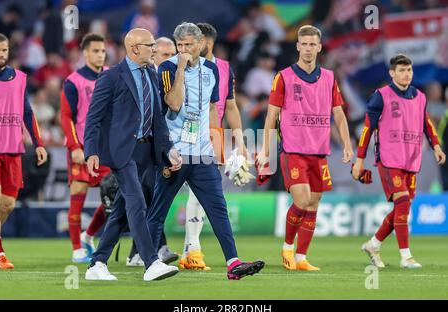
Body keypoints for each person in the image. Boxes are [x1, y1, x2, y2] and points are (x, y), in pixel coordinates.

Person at [151, 22, 264, 280]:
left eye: (189, 45)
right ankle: (149, 261)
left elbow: (214, 109)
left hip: (202, 153)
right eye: (180, 46)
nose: (184, 50)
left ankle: (233, 263)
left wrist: (218, 148)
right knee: (158, 210)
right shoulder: (167, 68)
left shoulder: (212, 69)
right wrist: (180, 68)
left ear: (201, 44)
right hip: (175, 152)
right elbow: (174, 103)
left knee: (217, 207)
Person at [83, 28, 182, 282]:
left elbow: (158, 118)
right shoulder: (111, 77)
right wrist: (91, 151)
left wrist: (168, 148)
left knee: (121, 209)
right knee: (137, 202)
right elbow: (93, 118)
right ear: (135, 48)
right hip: (122, 152)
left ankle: (98, 263)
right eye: (150, 45)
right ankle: (151, 262)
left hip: (146, 151)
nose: (154, 50)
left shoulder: (152, 74)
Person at [256, 25, 353, 271]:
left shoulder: (330, 78)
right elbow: (271, 116)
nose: (308, 49)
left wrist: (347, 144)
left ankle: (301, 257)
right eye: (304, 44)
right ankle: (288, 246)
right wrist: (265, 150)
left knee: (313, 202)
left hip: (319, 152)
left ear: (319, 47)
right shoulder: (284, 77)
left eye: (313, 44)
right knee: (302, 199)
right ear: (298, 46)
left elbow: (339, 114)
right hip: (293, 150)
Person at [353, 54, 446, 269]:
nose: (406, 74)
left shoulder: (420, 97)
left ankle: (373, 244)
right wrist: (359, 160)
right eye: (402, 70)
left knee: (401, 208)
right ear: (392, 73)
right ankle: (406, 257)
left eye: (409, 70)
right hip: (388, 158)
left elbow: (427, 124)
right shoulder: (381, 96)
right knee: (403, 202)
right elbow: (367, 128)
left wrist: (437, 146)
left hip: (411, 158)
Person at [176, 22, 253, 271]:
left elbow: (229, 106)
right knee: (195, 192)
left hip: (213, 134)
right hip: (186, 133)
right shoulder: (179, 66)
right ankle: (191, 248)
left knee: (202, 193)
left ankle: (191, 249)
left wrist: (239, 142)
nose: (201, 46)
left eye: (205, 42)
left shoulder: (223, 69)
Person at [125, 36, 179, 267]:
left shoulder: (168, 76)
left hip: (163, 145)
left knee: (151, 199)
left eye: (172, 54)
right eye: (166, 55)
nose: (171, 59)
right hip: (142, 147)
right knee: (144, 199)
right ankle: (143, 252)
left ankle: (146, 250)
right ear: (154, 55)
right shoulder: (147, 76)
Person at [0, 33, 48, 269]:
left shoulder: (19, 78)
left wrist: (38, 143)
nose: (0, 54)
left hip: (13, 151)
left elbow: (28, 113)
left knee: (7, 205)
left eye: (4, 50)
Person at [60, 33, 111, 263]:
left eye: (103, 51)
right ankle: (76, 249)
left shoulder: (111, 77)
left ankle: (88, 235)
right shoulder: (73, 81)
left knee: (112, 195)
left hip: (107, 149)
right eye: (96, 51)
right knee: (78, 194)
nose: (100, 55)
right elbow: (66, 116)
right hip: (82, 147)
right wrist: (74, 146)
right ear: (85, 53)